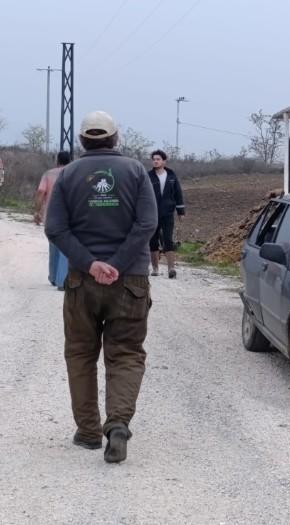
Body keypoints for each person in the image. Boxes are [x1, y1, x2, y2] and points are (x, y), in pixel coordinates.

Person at [45, 110, 158, 464]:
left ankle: (88, 431)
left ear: (82, 140)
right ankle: (118, 424)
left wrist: (91, 263)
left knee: (80, 353)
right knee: (125, 353)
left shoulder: (69, 174)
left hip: (82, 280)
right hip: (131, 281)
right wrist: (118, 263)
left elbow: (55, 228)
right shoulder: (136, 171)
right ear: (115, 138)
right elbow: (147, 223)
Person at [34, 151, 71, 290]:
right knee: (65, 248)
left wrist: (37, 211)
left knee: (53, 246)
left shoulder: (48, 174)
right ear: (70, 161)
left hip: (51, 216)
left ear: (57, 161)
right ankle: (62, 280)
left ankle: (54, 277)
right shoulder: (74, 173)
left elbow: (40, 192)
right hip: (69, 216)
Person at [147, 149, 185, 278]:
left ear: (164, 161)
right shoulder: (148, 176)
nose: (155, 161)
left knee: (168, 239)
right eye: (154, 159)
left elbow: (178, 194)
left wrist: (180, 212)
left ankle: (171, 269)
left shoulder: (171, 176)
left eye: (158, 159)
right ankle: (155, 268)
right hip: (152, 213)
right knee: (153, 240)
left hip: (168, 213)